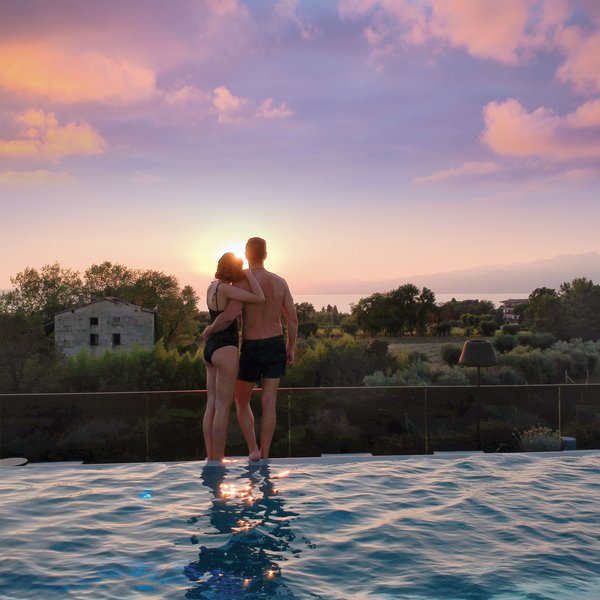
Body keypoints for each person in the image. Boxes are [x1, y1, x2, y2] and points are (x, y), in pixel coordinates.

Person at [203, 237, 298, 461]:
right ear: (266, 254)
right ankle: (264, 454)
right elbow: (292, 320)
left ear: (247, 255)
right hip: (275, 344)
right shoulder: (280, 282)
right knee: (269, 402)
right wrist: (290, 347)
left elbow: (229, 315)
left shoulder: (242, 283)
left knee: (241, 401)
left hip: (252, 346)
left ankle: (252, 449)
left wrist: (210, 329)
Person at [202, 252, 265, 462]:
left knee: (211, 404)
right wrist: (249, 275)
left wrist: (210, 329)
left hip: (210, 350)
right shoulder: (228, 289)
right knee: (222, 407)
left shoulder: (212, 287)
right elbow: (259, 297)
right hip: (225, 349)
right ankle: (218, 459)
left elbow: (219, 315)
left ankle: (210, 456)